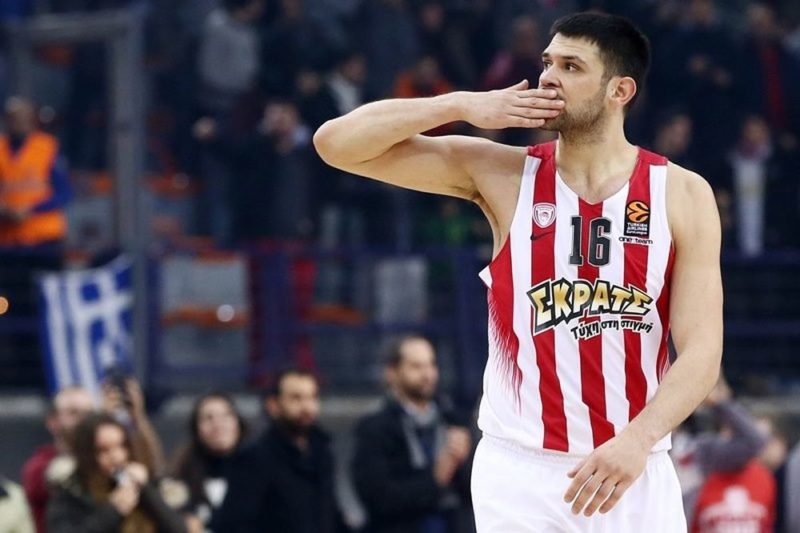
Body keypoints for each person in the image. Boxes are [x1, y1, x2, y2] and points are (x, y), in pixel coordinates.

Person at [314, 11, 723, 532]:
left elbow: (702, 351)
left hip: (632, 465)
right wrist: (459, 104)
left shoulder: (682, 193)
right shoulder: (504, 173)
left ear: (619, 90)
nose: (549, 76)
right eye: (548, 62)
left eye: (571, 66)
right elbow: (335, 144)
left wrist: (639, 439)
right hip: (520, 469)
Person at [352, 335, 474, 533]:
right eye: (416, 366)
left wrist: (466, 462)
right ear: (392, 372)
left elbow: (477, 492)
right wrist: (436, 478)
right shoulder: (374, 428)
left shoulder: (454, 420)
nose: (427, 374)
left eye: (431, 365)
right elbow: (378, 498)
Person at [214, 368, 344, 532]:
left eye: (312, 397)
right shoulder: (255, 457)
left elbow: (331, 513)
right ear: (273, 405)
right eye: (296, 398)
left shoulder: (322, 453)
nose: (307, 407)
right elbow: (233, 524)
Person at [0, 96, 71, 387]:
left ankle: (49, 374)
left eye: (23, 117)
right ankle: (18, 373)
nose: (18, 123)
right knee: (12, 308)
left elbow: (64, 193)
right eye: (13, 117)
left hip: (44, 243)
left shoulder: (47, 147)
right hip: (8, 245)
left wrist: (31, 210)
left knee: (47, 307)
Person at [46, 412, 187, 533]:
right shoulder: (70, 495)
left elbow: (179, 529)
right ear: (86, 454)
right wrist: (113, 511)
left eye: (122, 446)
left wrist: (145, 490)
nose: (117, 457)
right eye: (104, 450)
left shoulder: (142, 485)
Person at [171, 392, 249, 532]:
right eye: (208, 418)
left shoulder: (259, 469)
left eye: (225, 416)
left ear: (238, 423)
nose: (217, 425)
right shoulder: (181, 476)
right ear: (196, 429)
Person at [21, 387, 94, 533]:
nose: (84, 420)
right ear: (52, 421)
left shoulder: (104, 458)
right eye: (74, 413)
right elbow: (60, 476)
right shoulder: (37, 466)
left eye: (89, 414)